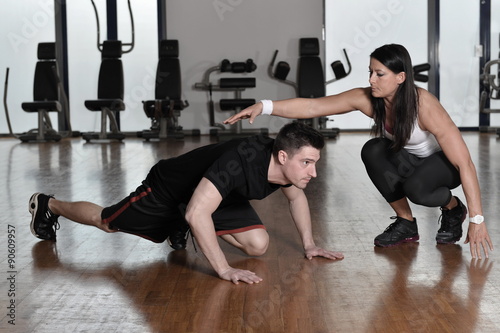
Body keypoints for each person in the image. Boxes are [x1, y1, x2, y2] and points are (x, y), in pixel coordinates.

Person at [224, 43, 493, 259]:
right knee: (374, 149)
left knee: (416, 187)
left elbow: (465, 164)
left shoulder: (424, 104)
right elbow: (312, 107)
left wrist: (478, 219)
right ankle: (405, 222)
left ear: (400, 77)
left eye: (379, 74)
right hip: (412, 159)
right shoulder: (368, 99)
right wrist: (265, 106)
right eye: (370, 72)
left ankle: (454, 208)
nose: (371, 80)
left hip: (443, 164)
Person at [29, 122, 344, 285]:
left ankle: (183, 225)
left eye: (315, 163)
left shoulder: (289, 171)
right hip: (169, 188)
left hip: (214, 197)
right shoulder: (239, 162)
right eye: (307, 163)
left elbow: (297, 197)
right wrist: (222, 268)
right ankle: (49, 204)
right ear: (284, 157)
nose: (313, 172)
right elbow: (197, 211)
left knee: (258, 245)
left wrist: (310, 245)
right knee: (108, 222)